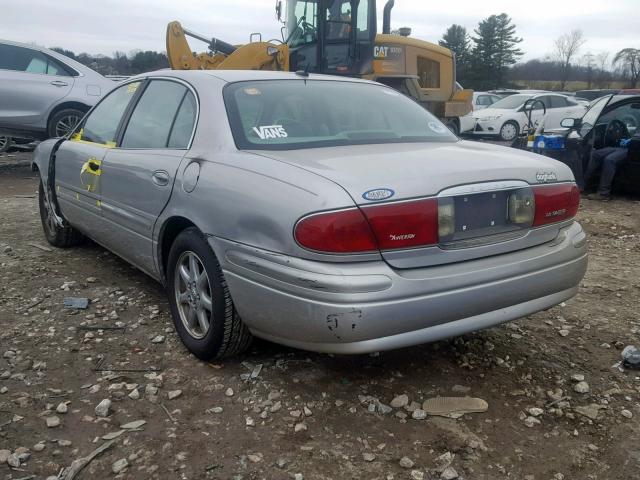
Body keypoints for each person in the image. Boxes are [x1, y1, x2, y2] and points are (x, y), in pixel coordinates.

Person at [584, 134, 637, 201]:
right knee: (596, 154)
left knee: (609, 160)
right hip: (624, 147)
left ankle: (603, 193)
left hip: (634, 150)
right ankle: (584, 184)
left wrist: (631, 141)